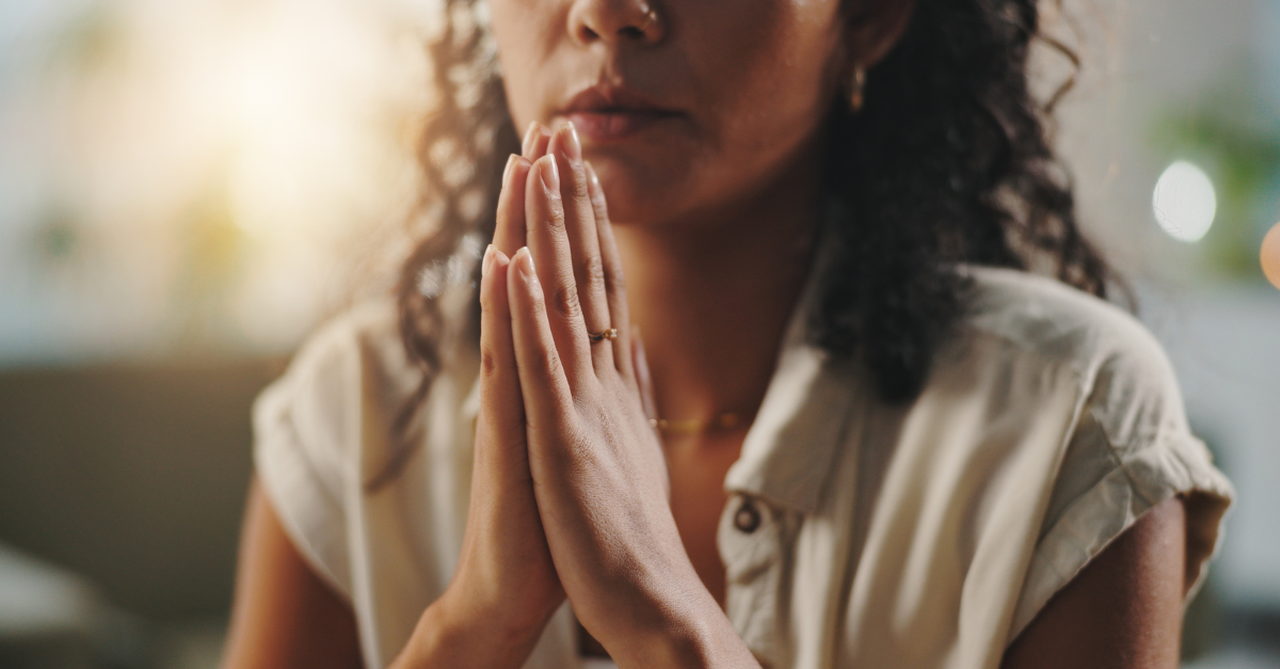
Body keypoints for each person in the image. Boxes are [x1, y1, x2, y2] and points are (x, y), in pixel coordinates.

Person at [219, 0, 1234, 667]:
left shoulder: (1069, 425)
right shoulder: (355, 412)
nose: (607, 12)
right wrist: (475, 621)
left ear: (872, 18)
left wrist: (670, 625)